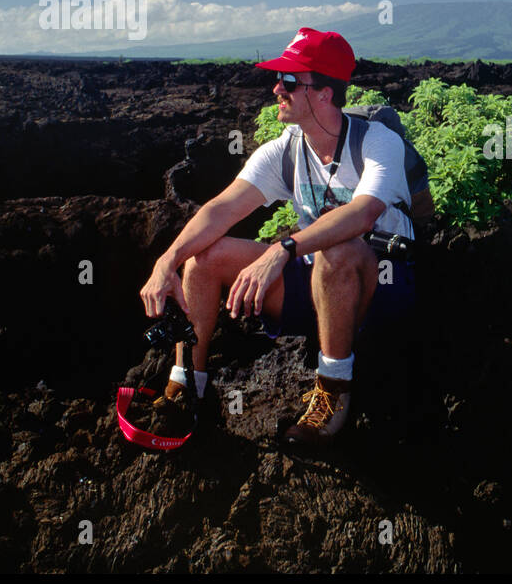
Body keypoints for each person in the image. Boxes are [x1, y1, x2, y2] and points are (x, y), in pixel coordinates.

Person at [139, 28, 417, 447]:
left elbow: (363, 214)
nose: (276, 89)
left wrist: (283, 249)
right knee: (204, 257)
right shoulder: (284, 150)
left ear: (324, 93)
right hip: (320, 287)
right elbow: (220, 209)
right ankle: (186, 387)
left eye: (289, 81)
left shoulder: (378, 142)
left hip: (381, 286)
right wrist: (168, 260)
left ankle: (332, 392)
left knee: (336, 246)